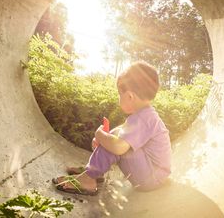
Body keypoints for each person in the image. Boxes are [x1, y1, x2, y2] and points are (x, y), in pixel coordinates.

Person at [52, 61, 172, 195]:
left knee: (116, 142)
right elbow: (119, 136)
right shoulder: (145, 115)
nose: (119, 99)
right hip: (153, 173)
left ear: (130, 96)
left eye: (119, 95)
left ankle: (88, 179)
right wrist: (105, 140)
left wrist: (100, 135)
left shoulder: (144, 118)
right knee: (115, 135)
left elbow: (118, 147)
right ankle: (93, 171)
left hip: (151, 178)